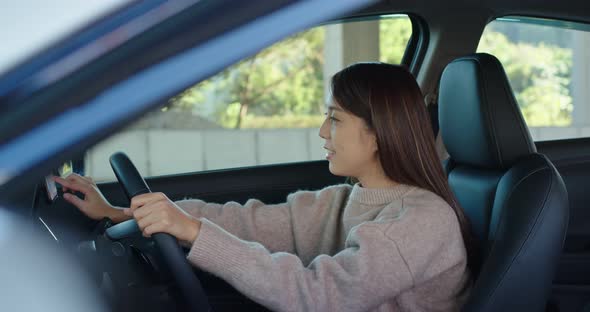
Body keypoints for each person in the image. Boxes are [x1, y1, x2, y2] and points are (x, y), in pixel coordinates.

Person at [54, 63, 474, 312]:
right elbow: (247, 221)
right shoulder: (345, 198)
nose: (323, 130)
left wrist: (196, 234)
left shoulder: (421, 222)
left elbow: (316, 296)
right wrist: (121, 213)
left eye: (336, 118)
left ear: (379, 132)